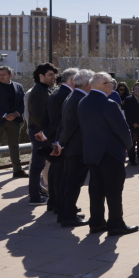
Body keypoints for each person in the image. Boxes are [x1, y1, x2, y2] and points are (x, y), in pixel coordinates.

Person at [76, 72, 139, 236]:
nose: (113, 86)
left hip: (92, 152)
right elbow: (122, 129)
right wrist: (128, 146)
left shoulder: (83, 102)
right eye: (111, 83)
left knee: (96, 189)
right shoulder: (109, 104)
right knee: (113, 190)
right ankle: (116, 224)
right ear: (106, 85)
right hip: (110, 153)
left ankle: (96, 222)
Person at [54, 69, 94, 227]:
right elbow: (69, 125)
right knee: (73, 182)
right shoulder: (80, 99)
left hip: (71, 147)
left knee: (68, 180)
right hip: (77, 148)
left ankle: (64, 213)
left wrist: (60, 143)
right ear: (88, 83)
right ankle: (69, 216)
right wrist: (60, 143)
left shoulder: (73, 95)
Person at [43, 67, 77, 215]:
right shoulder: (67, 95)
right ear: (72, 80)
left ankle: (53, 202)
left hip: (54, 137)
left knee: (55, 170)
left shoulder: (56, 92)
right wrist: (57, 139)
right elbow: (61, 120)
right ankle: (58, 204)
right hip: (60, 139)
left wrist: (46, 134)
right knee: (60, 173)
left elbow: (47, 117)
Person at [26, 62, 58, 205]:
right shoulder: (39, 91)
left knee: (39, 164)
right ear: (41, 76)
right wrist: (46, 133)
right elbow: (38, 116)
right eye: (50, 75)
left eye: (54, 75)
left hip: (41, 132)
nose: (54, 77)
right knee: (37, 165)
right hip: (39, 133)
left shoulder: (44, 90)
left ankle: (38, 194)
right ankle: (34, 197)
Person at [123, 82, 139, 166]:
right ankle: (132, 160)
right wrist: (133, 123)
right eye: (135, 88)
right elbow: (127, 113)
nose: (137, 90)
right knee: (132, 143)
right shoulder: (128, 99)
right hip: (132, 125)